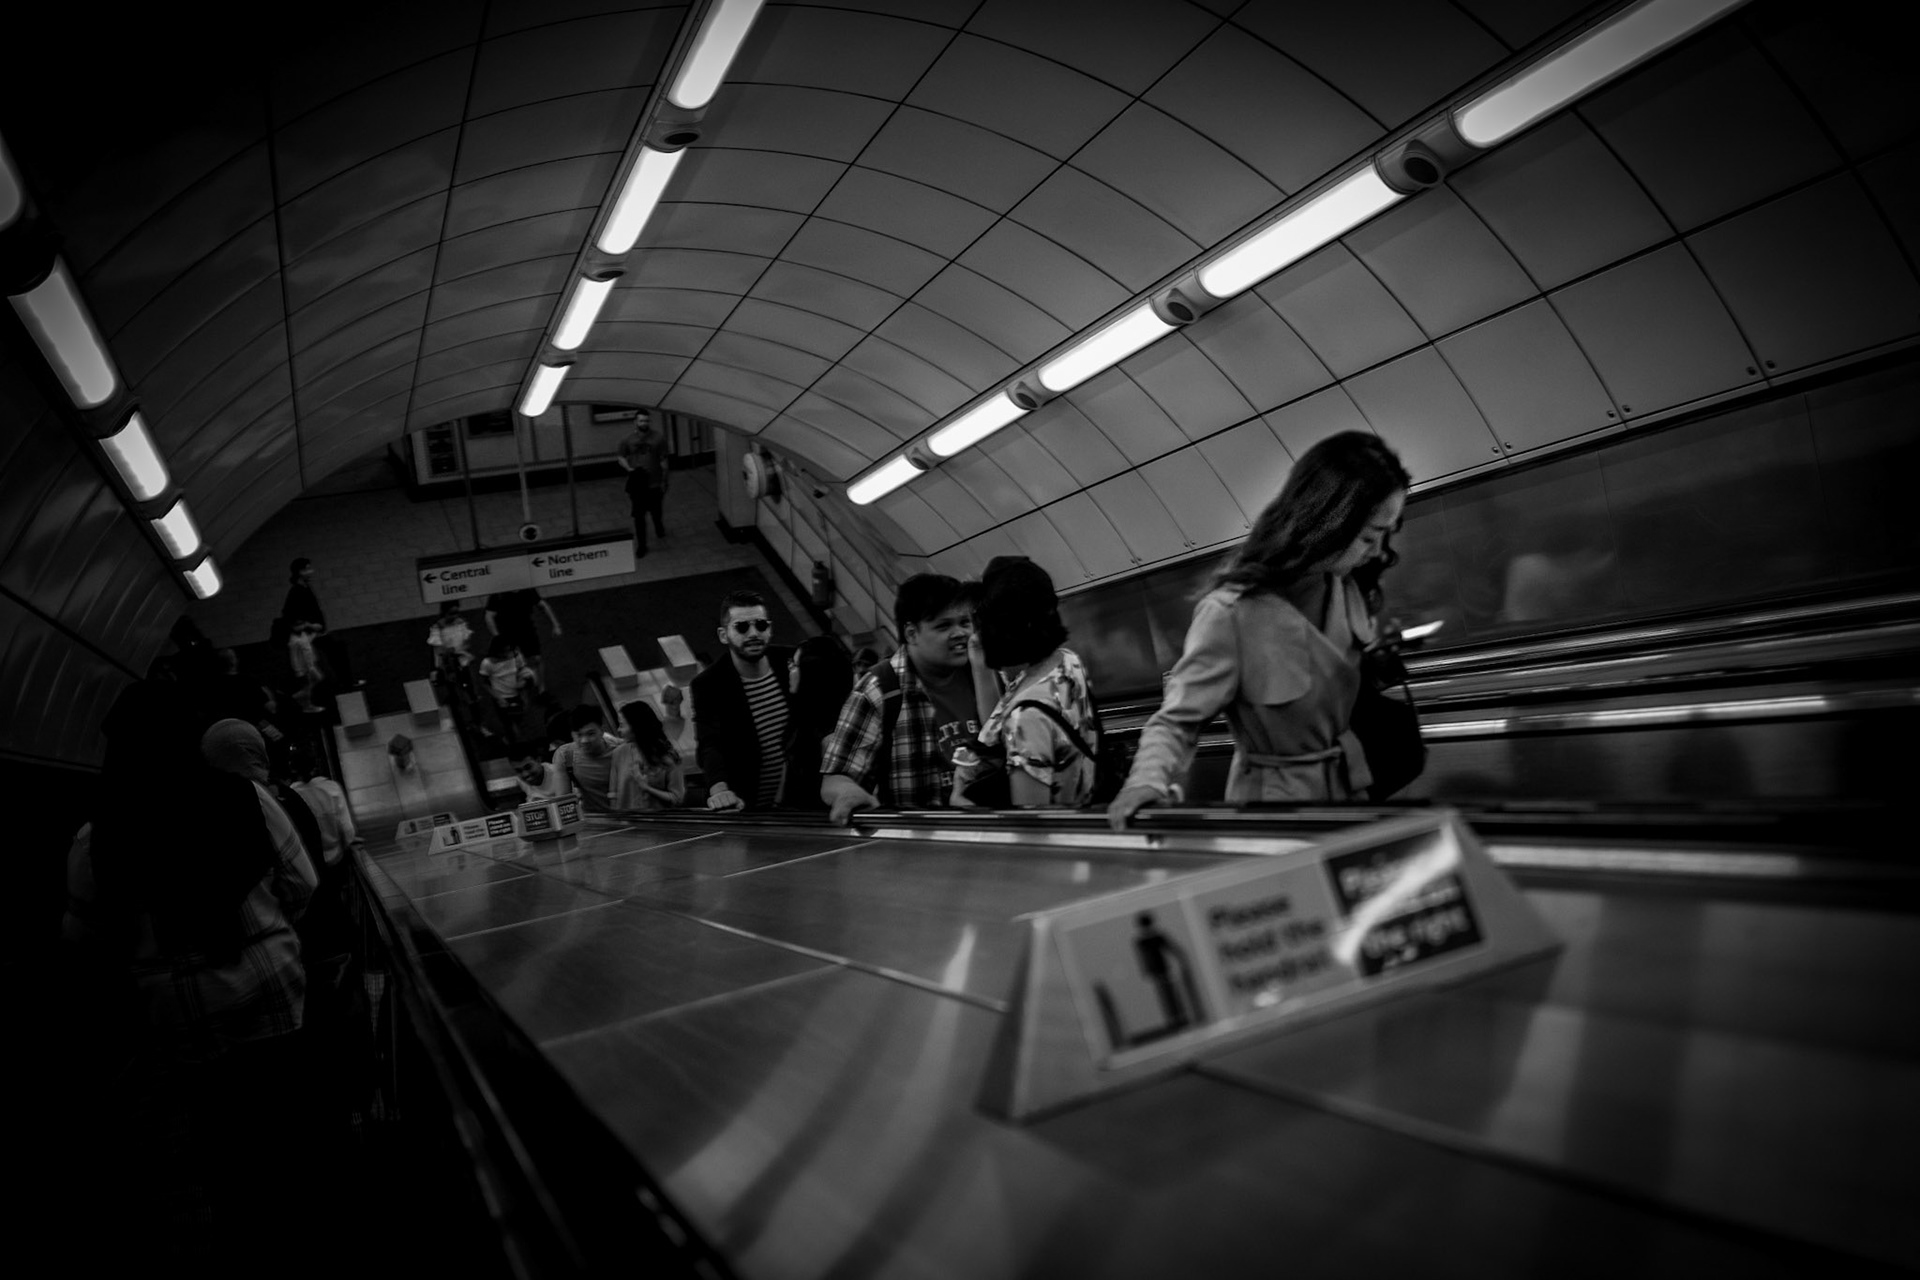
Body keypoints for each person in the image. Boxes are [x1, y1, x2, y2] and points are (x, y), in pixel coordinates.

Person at [1107, 431, 1410, 827]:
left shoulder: (1348, 588)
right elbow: (1177, 720)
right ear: (1327, 522)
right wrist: (1145, 782)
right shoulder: (1232, 614)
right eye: (1370, 535)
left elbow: (1331, 684)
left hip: (1350, 795)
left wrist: (1377, 668)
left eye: (1387, 534)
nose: (1378, 551)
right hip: (1273, 812)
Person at [819, 574, 978, 824]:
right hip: (917, 846)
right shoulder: (878, 691)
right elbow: (836, 777)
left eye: (965, 622)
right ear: (911, 633)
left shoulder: (985, 678)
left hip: (988, 836)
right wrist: (848, 793)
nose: (960, 633)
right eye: (943, 626)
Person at [952, 557, 1098, 808]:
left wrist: (959, 803)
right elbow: (997, 725)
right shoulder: (1066, 664)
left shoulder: (1026, 715)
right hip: (1082, 818)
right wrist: (980, 661)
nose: (979, 632)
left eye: (985, 622)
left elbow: (1030, 823)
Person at [694, 590, 794, 811]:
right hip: (747, 806)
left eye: (760, 625)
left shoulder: (792, 663)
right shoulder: (710, 684)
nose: (753, 633)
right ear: (723, 635)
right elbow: (710, 744)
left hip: (797, 805)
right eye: (741, 627)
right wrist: (719, 790)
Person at [779, 635, 853, 809]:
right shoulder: (802, 723)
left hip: (819, 826)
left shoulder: (830, 737)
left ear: (811, 674)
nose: (789, 670)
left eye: (794, 665)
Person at [610, 700, 687, 810]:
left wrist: (647, 788)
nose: (619, 730)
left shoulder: (668, 757)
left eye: (622, 725)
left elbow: (677, 798)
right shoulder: (619, 753)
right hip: (626, 821)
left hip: (657, 823)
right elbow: (613, 794)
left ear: (636, 727)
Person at [485, 587, 562, 691]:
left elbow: (543, 606)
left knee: (536, 659)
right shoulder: (499, 594)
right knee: (512, 664)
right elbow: (489, 616)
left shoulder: (528, 590)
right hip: (507, 632)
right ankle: (517, 690)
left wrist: (556, 625)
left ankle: (541, 689)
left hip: (527, 629)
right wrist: (497, 637)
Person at [617, 408, 669, 555]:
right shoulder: (628, 440)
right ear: (635, 422)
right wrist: (628, 468)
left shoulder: (658, 438)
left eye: (646, 421)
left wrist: (665, 480)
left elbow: (664, 459)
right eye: (641, 420)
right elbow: (620, 456)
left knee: (656, 511)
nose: (644, 423)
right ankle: (642, 545)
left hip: (654, 482)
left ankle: (658, 526)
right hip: (638, 484)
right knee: (639, 516)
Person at [552, 703, 623, 811]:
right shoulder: (565, 755)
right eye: (579, 735)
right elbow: (563, 801)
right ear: (572, 734)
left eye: (590, 734)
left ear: (602, 730)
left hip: (627, 816)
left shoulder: (620, 752)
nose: (584, 740)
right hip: (595, 820)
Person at [427, 601, 475, 697]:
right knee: (453, 688)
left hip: (462, 660)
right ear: (444, 613)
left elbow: (467, 640)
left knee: (469, 685)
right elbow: (438, 647)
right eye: (451, 613)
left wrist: (464, 649)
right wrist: (449, 651)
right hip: (447, 664)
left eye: (457, 613)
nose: (454, 616)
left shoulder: (461, 623)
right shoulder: (437, 627)